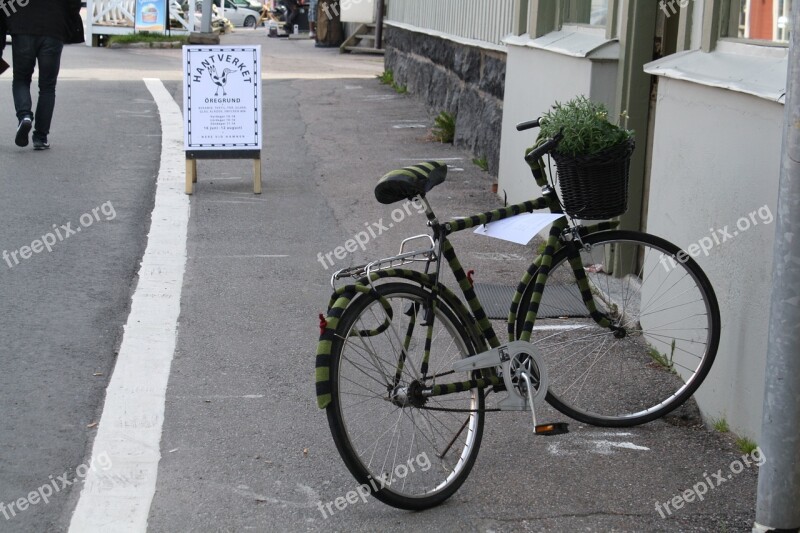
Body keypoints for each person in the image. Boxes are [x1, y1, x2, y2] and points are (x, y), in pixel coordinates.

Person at [0, 0, 84, 150]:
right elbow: (74, 3)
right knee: (47, 87)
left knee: (21, 79)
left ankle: (24, 116)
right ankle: (40, 137)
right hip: (54, 27)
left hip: (22, 26)